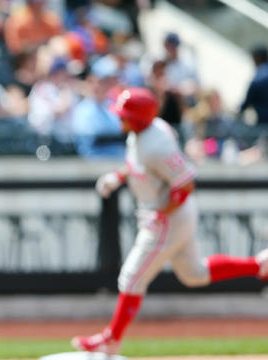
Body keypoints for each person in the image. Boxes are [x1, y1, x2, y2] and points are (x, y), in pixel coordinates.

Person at [71, 87, 268, 356]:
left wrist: (161, 213)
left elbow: (185, 184)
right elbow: (139, 167)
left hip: (170, 216)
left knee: (131, 277)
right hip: (173, 214)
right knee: (194, 274)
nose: (120, 118)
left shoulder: (156, 144)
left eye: (125, 115)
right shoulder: (143, 133)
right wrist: (118, 177)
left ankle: (111, 339)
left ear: (139, 118)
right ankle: (259, 264)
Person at [239, 45, 268, 125]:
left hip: (264, 121)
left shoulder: (259, 77)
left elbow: (248, 100)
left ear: (257, 58)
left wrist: (240, 109)